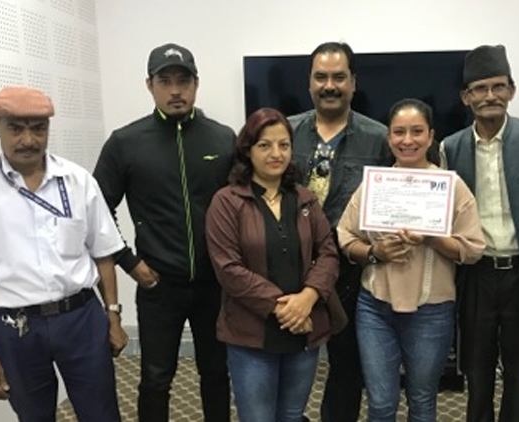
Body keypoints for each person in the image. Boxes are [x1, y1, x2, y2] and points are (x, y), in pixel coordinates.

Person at [0, 86, 128, 421]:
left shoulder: (78, 181)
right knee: (34, 416)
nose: (28, 140)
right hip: (16, 327)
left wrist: (113, 316)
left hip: (81, 318)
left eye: (38, 128)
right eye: (16, 128)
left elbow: (102, 254)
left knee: (102, 413)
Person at [93, 43, 233, 422]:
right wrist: (129, 261)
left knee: (216, 374)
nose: (175, 91)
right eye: (165, 81)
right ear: (149, 85)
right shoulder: (125, 142)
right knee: (155, 379)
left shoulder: (223, 140)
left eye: (183, 81)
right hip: (158, 285)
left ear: (196, 84)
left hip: (214, 285)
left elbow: (241, 208)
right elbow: (97, 211)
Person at [337, 98, 485, 421]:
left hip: (431, 312)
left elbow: (474, 249)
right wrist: (375, 253)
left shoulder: (451, 187)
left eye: (417, 131)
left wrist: (432, 236)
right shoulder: (375, 184)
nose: (407, 140)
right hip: (375, 308)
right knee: (380, 404)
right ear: (389, 138)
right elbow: (345, 236)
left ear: (430, 136)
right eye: (399, 132)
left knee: (422, 400)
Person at [440, 45, 519, 422]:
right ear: (466, 97)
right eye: (479, 88)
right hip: (476, 274)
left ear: (512, 90)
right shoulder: (450, 147)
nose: (489, 95)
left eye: (498, 86)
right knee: (476, 370)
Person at [205, 107, 339, 421]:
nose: (276, 154)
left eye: (284, 145)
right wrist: (287, 309)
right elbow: (229, 269)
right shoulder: (227, 201)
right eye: (265, 145)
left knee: (292, 415)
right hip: (252, 334)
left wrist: (307, 299)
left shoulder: (305, 199)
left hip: (304, 330)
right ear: (247, 150)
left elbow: (328, 253)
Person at [288, 41, 392, 422]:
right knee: (288, 357)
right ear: (309, 82)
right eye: (321, 77)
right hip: (291, 265)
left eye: (338, 77)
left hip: (350, 269)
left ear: (353, 82)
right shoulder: (285, 132)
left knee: (347, 366)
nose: (329, 86)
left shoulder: (379, 138)